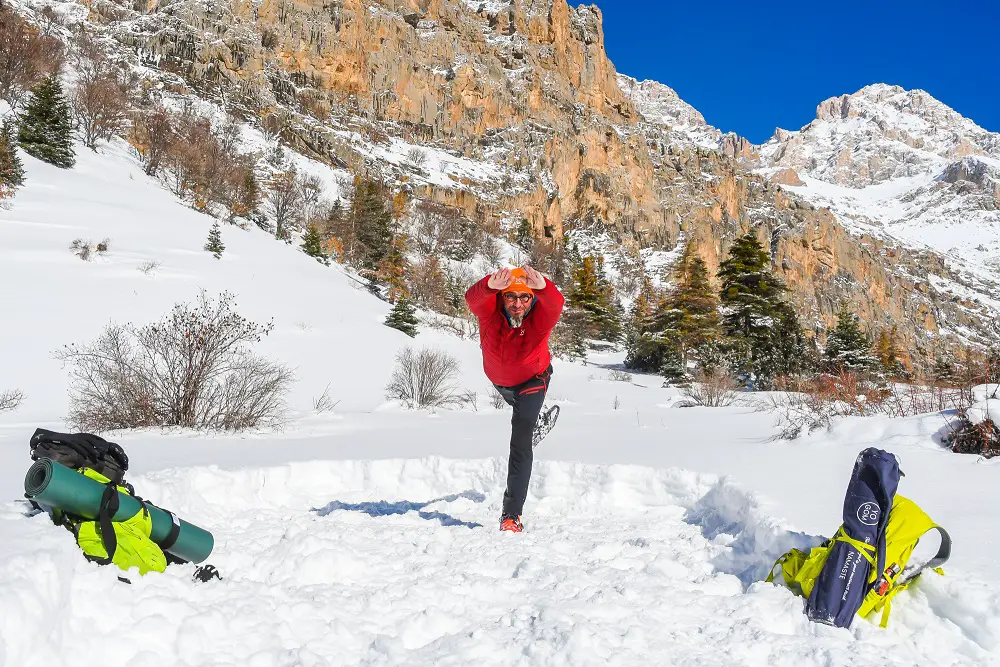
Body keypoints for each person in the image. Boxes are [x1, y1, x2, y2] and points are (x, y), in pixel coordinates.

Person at [465, 266, 565, 532]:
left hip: (533, 381)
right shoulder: (490, 314)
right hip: (500, 382)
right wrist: (488, 285)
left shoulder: (540, 319)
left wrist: (544, 287)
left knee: (520, 442)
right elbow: (471, 299)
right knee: (526, 420)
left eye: (524, 297)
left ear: (532, 299)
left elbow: (556, 305)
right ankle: (537, 422)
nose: (517, 304)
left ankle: (511, 515)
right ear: (502, 297)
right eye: (511, 297)